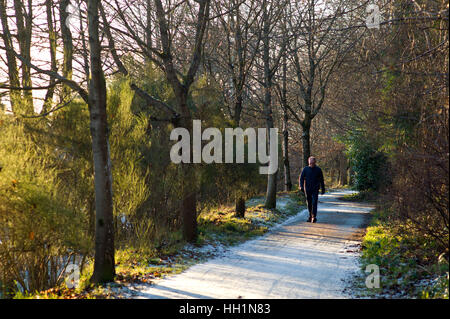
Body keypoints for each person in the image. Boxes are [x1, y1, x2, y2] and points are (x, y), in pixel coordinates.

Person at [299, 156, 325, 223]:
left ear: (315, 162)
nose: (311, 164)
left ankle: (314, 216)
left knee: (314, 202)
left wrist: (323, 189)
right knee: (309, 203)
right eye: (310, 163)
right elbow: (301, 178)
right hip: (307, 189)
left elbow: (321, 180)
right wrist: (301, 186)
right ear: (308, 162)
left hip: (315, 189)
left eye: (313, 163)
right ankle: (310, 215)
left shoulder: (318, 170)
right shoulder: (305, 169)